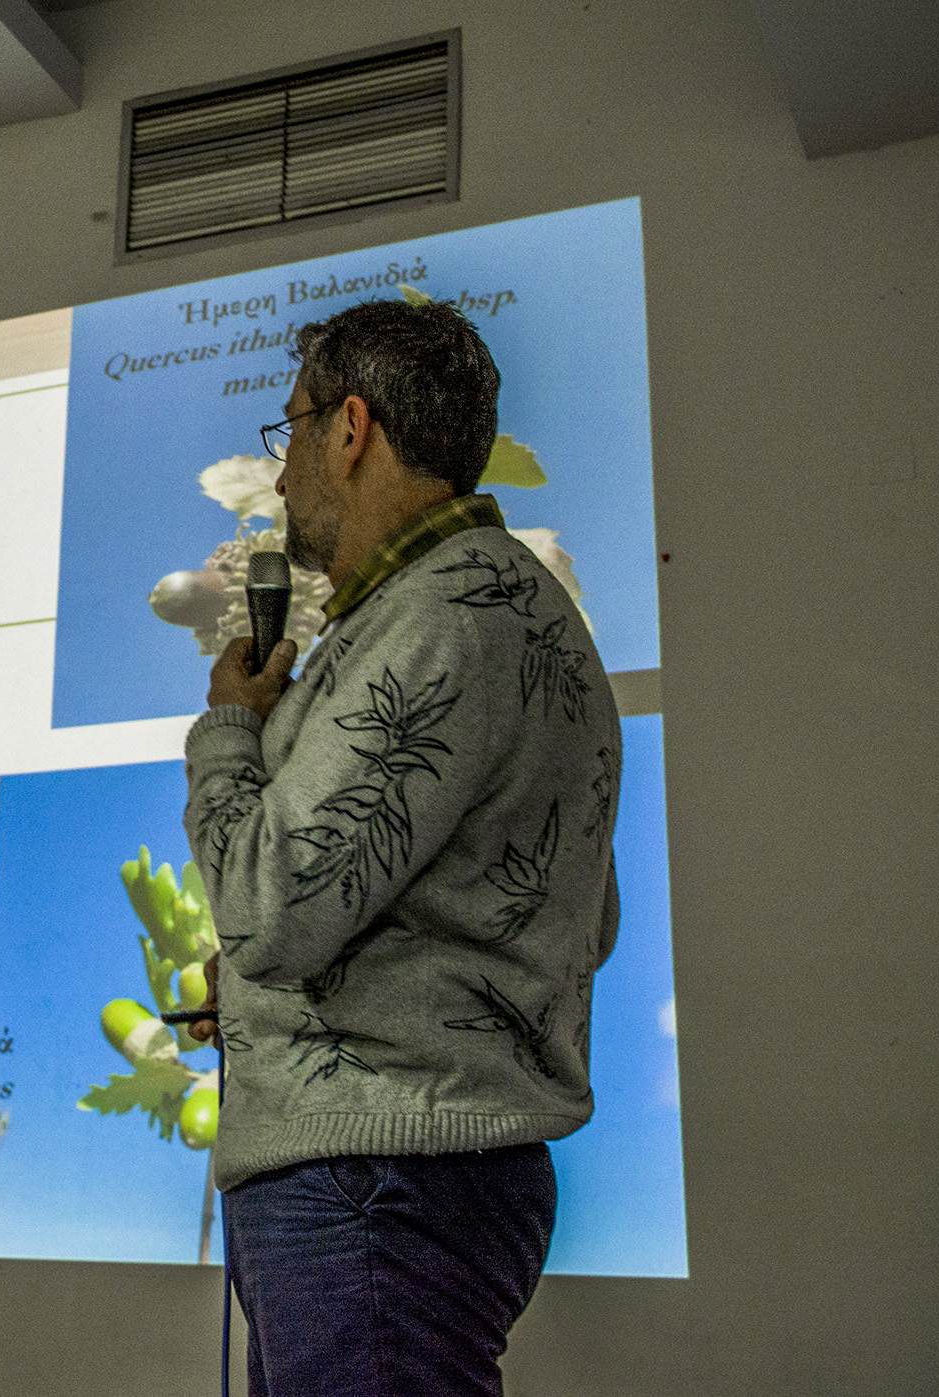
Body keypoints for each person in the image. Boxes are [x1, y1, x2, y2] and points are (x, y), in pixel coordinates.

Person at [181, 298, 622, 1396]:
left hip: (373, 1181)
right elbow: (580, 915)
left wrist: (227, 729)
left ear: (350, 427)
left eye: (289, 434)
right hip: (398, 1175)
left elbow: (269, 914)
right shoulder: (512, 606)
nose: (279, 478)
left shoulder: (436, 619)